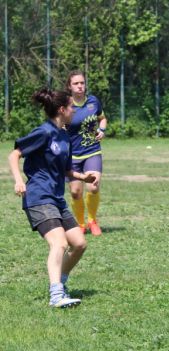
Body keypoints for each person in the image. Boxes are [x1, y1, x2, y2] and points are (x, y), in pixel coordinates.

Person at [8, 88, 99, 308]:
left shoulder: (64, 136)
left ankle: (62, 281)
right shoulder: (44, 132)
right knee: (59, 243)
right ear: (62, 110)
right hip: (39, 197)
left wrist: (83, 177)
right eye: (70, 107)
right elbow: (14, 154)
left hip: (56, 198)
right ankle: (56, 295)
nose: (73, 111)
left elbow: (67, 170)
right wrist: (19, 180)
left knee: (79, 244)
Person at [65, 71, 107, 236]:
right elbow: (58, 123)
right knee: (75, 192)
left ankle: (92, 220)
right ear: (70, 86)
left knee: (93, 187)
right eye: (76, 83)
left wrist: (102, 129)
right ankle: (81, 224)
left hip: (92, 151)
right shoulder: (66, 104)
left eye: (82, 82)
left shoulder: (93, 101)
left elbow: (102, 118)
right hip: (72, 155)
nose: (80, 86)